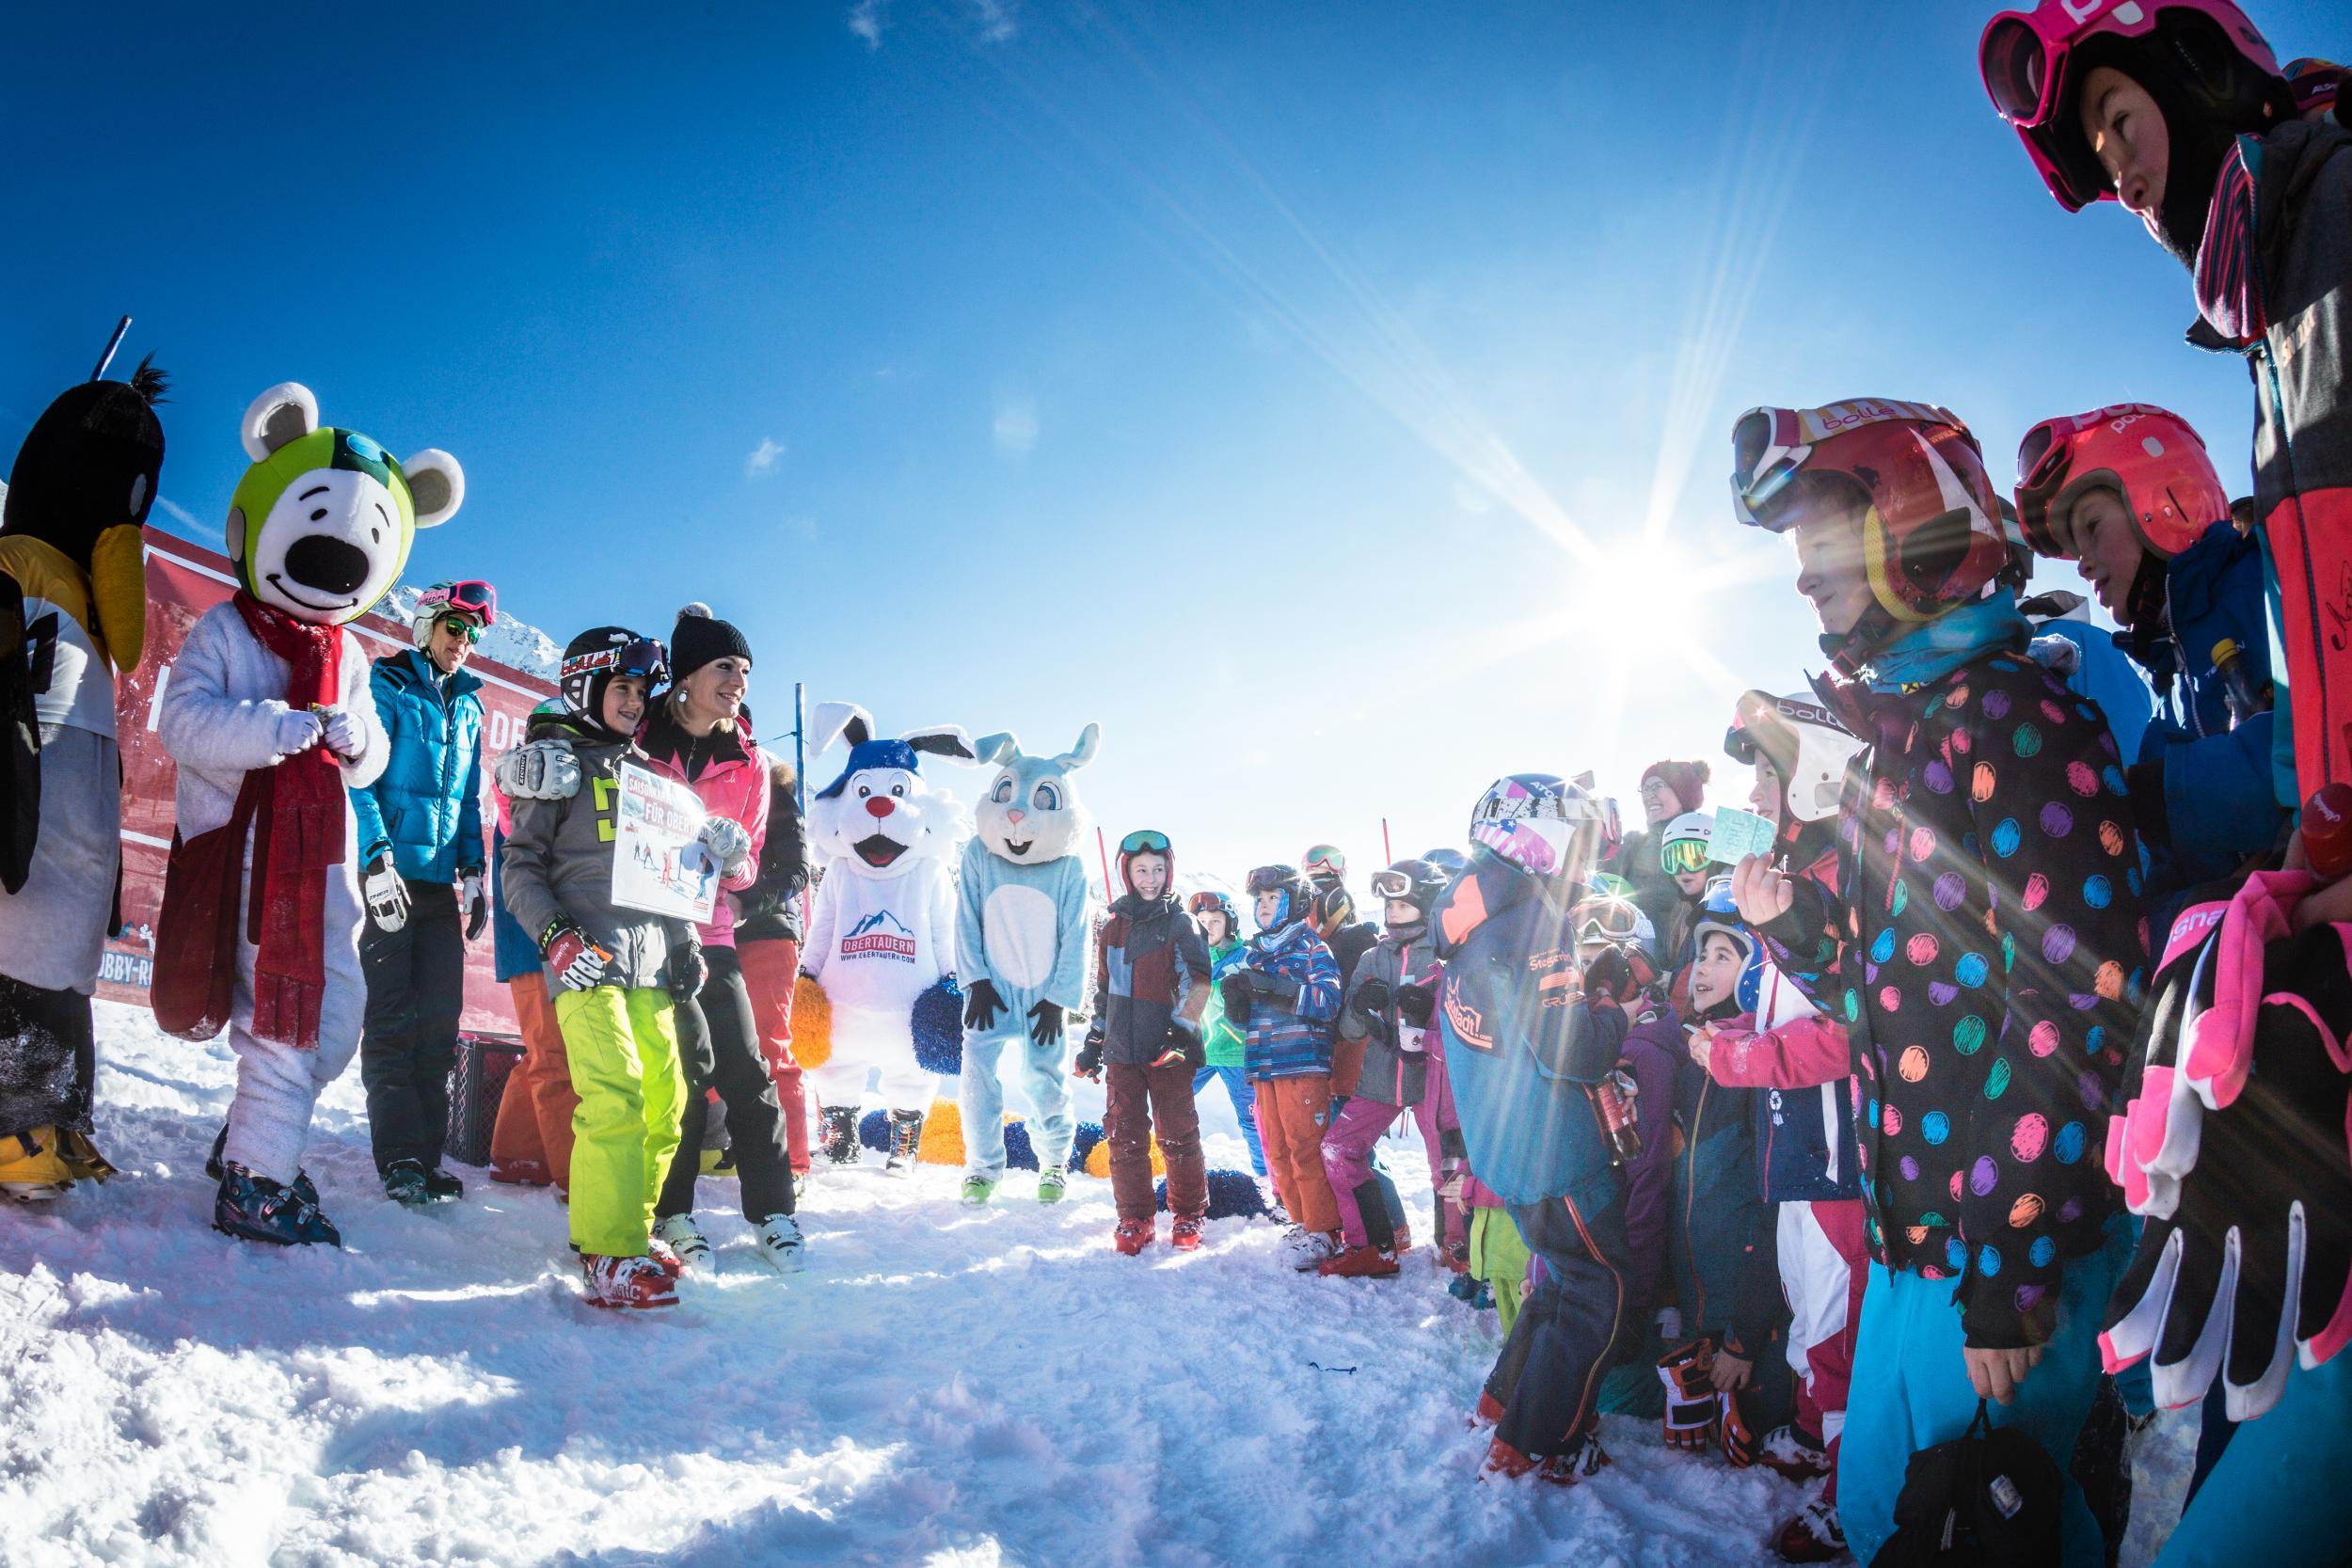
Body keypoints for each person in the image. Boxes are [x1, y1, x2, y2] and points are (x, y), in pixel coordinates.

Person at [1727, 396, 2148, 1567]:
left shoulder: (2014, 714)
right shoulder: (1907, 744)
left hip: (2012, 1250)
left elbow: (2079, 996)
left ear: (1912, 524)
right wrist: (1806, 934)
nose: (1804, 582)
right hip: (1921, 1244)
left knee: (1993, 1528)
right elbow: (1895, 1011)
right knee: (1890, 1520)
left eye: (1821, 544)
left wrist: (2013, 1259)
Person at [1708, 688, 1871, 1562]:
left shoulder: (1844, 884)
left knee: (1839, 1324)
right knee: (1810, 1310)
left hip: (1842, 1159)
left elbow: (1852, 1030)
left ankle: (1852, 1496)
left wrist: (1742, 1059)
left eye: (1767, 777)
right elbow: (1782, 1012)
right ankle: (1817, 1433)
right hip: (1797, 1149)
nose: (1755, 800)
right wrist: (1731, 1035)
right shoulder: (1789, 887)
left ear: (1814, 773)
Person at [1434, 773, 1632, 1483]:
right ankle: (1542, 1438)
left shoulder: (1473, 911)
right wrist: (1617, 1013)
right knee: (1597, 1290)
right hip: (1556, 1151)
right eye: (1577, 840)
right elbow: (1570, 1047)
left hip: (1505, 1147)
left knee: (1559, 1283)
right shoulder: (1531, 920)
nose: (1584, 861)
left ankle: (1503, 1403)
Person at [2013, 402, 2284, 920]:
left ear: (2167, 497)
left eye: (2092, 528)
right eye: (2074, 554)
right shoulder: (2168, 681)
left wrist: (2151, 794)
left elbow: (2309, 745)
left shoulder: (2268, 585)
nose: (2084, 565)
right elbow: (2174, 874)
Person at [0, 357, 165, 1198]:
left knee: (61, 962)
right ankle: (14, 1131)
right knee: (20, 946)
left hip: (73, 810)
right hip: (24, 809)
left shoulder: (87, 620)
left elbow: (130, 643)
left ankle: (51, 1120)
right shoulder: (18, 568)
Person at [498, 627, 692, 1308]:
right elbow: (518, 864)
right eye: (622, 688)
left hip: (649, 960)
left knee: (667, 1102)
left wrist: (686, 942)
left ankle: (630, 1228)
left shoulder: (649, 777)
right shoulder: (555, 764)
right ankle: (607, 1249)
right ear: (584, 686)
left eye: (642, 691)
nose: (636, 702)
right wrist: (554, 936)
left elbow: (670, 877)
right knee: (614, 1092)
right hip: (584, 958)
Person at [638, 605, 802, 1271]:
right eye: (725, 666)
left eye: (745, 670)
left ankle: (775, 1212)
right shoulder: (641, 738)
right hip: (646, 928)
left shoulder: (751, 764)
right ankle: (673, 1212)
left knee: (745, 1066)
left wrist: (735, 862)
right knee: (677, 1072)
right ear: (687, 675)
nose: (738, 680)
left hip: (711, 930)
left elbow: (755, 863)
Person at [350, 579, 494, 1206]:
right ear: (427, 625)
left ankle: (427, 1156)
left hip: (438, 886)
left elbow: (466, 801)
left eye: (472, 635)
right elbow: (361, 778)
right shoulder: (389, 686)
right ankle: (399, 1155)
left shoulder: (470, 708)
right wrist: (376, 855)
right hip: (390, 877)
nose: (463, 644)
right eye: (454, 629)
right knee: (391, 1020)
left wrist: (475, 871)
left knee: (439, 1023)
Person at [1074, 831, 1212, 1253]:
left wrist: (1181, 1032)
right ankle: (1134, 1218)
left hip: (1168, 1051)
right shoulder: (1113, 928)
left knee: (1177, 1134)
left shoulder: (1180, 923)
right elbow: (1104, 991)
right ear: (1126, 874)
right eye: (1140, 871)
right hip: (1121, 1051)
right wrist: (1095, 1042)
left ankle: (1188, 1213)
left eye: (1157, 870)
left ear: (1168, 873)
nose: (1149, 879)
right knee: (1124, 1136)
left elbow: (1198, 983)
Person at [1322, 858, 1457, 1277]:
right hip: (1380, 1081)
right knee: (1338, 1148)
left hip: (1433, 1082)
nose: (1393, 913)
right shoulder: (1372, 957)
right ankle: (1372, 1246)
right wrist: (1362, 1008)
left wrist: (1429, 1011)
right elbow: (1347, 1027)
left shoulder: (1446, 957)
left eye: (1403, 904)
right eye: (1389, 906)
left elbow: (1466, 1025)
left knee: (1449, 1166)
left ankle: (1458, 1247)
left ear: (1428, 903)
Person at [1223, 863, 1343, 1270]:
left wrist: (1279, 990)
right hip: (1263, 1064)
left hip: (1302, 1063)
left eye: (1274, 898)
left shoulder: (1311, 947)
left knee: (1305, 1147)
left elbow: (1328, 1002)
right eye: (1259, 899)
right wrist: (1238, 1002)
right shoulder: (1254, 953)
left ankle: (1325, 1229)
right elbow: (1246, 1019)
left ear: (1296, 902)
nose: (1264, 906)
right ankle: (1302, 1221)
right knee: (1277, 1150)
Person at [485, 752, 580, 1194]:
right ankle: (575, 1177)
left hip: (554, 942)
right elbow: (516, 850)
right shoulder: (526, 785)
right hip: (532, 945)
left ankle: (516, 1153)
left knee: (546, 1053)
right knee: (552, 1057)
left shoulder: (558, 790)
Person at [733, 756, 811, 1184]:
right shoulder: (698, 775)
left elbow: (796, 870)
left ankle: (791, 1163)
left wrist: (745, 903)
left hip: (767, 930)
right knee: (716, 1046)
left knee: (770, 1047)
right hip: (710, 930)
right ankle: (733, 1145)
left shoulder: (774, 789)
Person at [1186, 890, 1266, 1180]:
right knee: (1172, 1104)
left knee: (1251, 1118)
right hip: (1201, 1050)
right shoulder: (1194, 959)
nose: (1208, 927)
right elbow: (1188, 1007)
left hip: (1236, 1053)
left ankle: (1266, 1176)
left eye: (1215, 920)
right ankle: (1182, 1171)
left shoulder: (1246, 958)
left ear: (1230, 923)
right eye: (1202, 920)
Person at [1618, 761, 1709, 936]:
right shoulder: (1633, 845)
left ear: (1684, 794)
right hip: (1636, 957)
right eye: (1645, 788)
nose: (1648, 796)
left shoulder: (1708, 839)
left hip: (1691, 957)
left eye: (1657, 786)